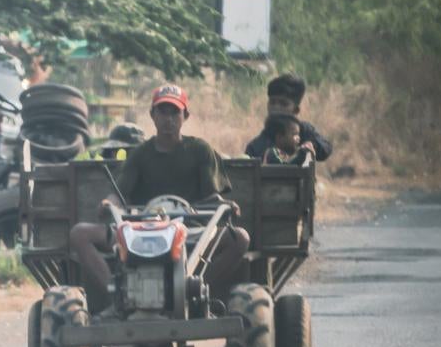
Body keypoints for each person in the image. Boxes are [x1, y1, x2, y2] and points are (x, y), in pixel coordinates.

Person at [68, 84, 251, 314]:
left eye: (174, 112)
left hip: (192, 232)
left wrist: (226, 206)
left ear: (185, 116)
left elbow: (211, 196)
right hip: (141, 231)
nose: (168, 119)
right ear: (152, 115)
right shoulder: (140, 154)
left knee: (240, 239)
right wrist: (109, 203)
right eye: (162, 111)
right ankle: (117, 294)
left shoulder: (200, 150)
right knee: (79, 234)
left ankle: (194, 290)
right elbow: (119, 193)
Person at [244, 73, 333, 162]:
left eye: (283, 104)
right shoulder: (257, 145)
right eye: (272, 102)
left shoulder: (303, 131)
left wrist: (312, 145)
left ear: (296, 110)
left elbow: (326, 148)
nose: (276, 108)